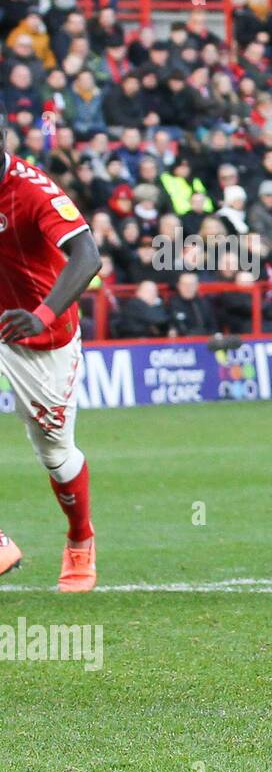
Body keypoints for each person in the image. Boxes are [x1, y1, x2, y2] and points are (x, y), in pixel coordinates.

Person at [0, 142, 103, 591]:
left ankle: (80, 537)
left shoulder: (32, 190)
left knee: (56, 455)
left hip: (37, 334)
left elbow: (88, 257)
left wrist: (41, 315)